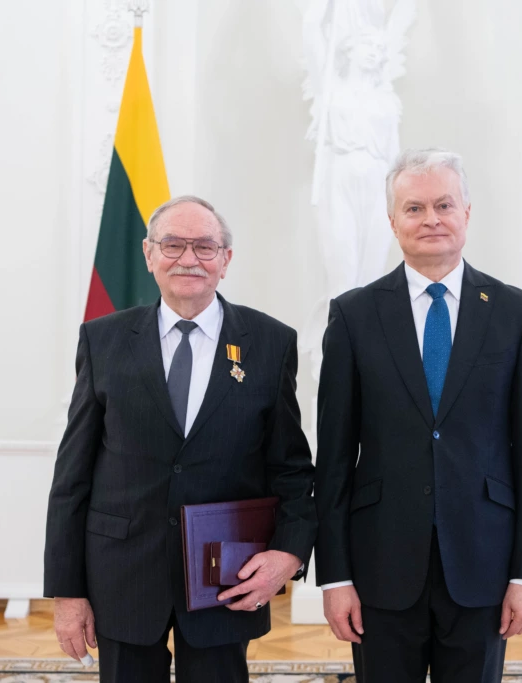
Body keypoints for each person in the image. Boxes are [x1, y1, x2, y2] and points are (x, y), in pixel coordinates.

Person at [44, 195, 316, 683]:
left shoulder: (271, 342)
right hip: (123, 574)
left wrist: (289, 554)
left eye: (205, 246)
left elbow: (291, 468)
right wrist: (67, 592)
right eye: (172, 244)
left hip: (225, 577)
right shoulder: (102, 340)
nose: (189, 258)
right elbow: (72, 476)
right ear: (149, 254)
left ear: (225, 260)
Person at [315, 148, 522, 683]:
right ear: (392, 220)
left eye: (444, 205)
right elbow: (333, 458)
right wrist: (334, 578)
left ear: (466, 213)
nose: (431, 219)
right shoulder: (354, 315)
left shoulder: (515, 313)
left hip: (484, 565)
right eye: (414, 208)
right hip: (379, 566)